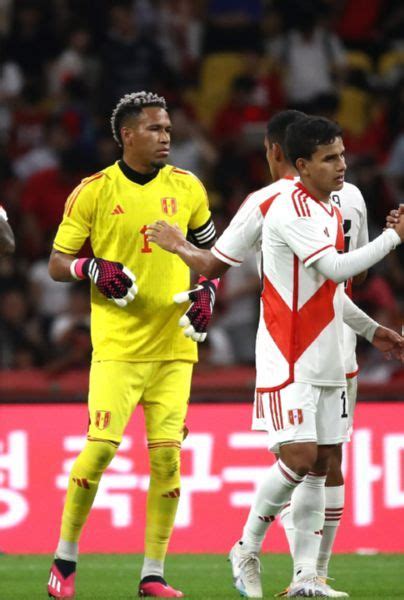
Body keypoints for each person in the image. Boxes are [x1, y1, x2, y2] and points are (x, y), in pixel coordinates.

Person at [147, 115, 404, 597]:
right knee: (302, 456)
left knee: (324, 461)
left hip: (333, 348)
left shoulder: (332, 208)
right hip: (290, 354)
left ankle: (308, 576)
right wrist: (393, 239)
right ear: (297, 162)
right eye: (331, 158)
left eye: (344, 155)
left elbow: (333, 289)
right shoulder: (280, 206)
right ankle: (246, 545)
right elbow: (334, 267)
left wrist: (370, 331)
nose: (343, 165)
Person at [46, 90, 218, 599]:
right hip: (118, 348)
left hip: (174, 349)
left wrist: (207, 291)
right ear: (127, 135)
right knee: (99, 452)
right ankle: (65, 559)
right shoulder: (93, 191)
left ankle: (153, 574)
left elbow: (213, 258)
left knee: (167, 461)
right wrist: (92, 267)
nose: (167, 137)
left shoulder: (188, 187)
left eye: (168, 129)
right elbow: (59, 262)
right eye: (155, 129)